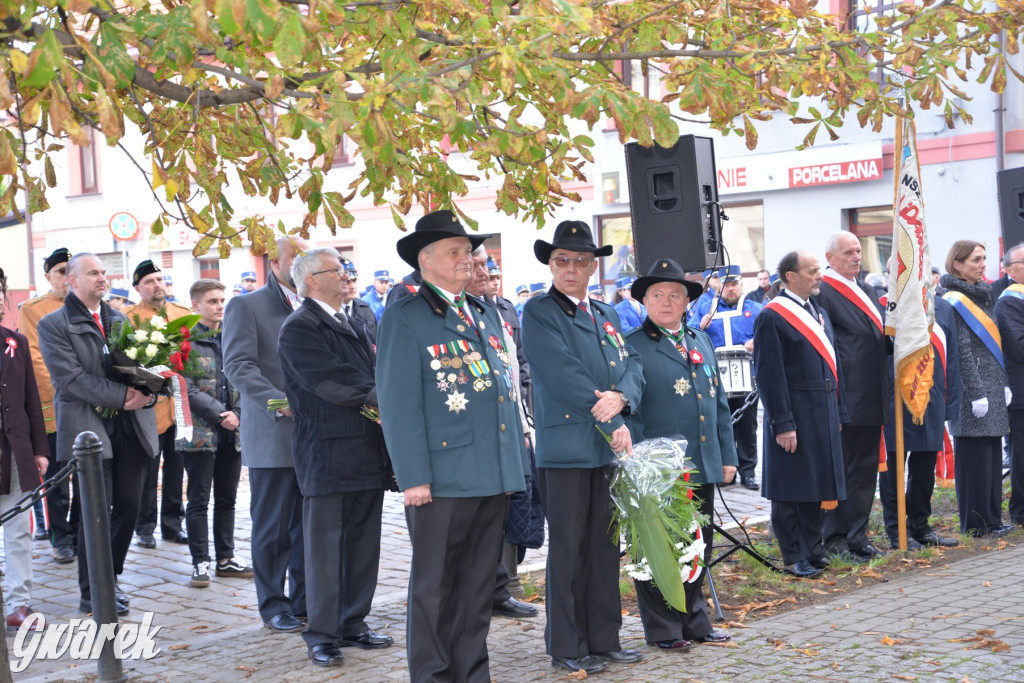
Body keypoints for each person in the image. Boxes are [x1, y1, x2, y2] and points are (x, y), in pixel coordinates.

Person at [376, 209, 529, 683]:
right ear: (426, 260)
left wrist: (511, 468)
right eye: (456, 252)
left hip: (490, 473)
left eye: (469, 251)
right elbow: (398, 403)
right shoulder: (407, 315)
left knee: (479, 585)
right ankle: (434, 674)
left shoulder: (484, 311)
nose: (469, 259)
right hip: (442, 478)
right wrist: (413, 476)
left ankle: (471, 671)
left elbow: (503, 394)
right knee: (434, 587)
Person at [522, 219, 645, 675]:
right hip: (569, 449)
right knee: (569, 549)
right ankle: (567, 646)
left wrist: (624, 396)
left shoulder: (606, 314)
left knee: (603, 547)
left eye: (579, 261)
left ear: (593, 267)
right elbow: (563, 374)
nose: (570, 268)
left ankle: (604, 638)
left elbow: (632, 365)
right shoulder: (539, 312)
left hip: (605, 450)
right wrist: (612, 415)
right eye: (561, 261)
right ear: (551, 265)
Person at [280, 248, 394, 668]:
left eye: (348, 270)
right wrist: (386, 397)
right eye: (338, 271)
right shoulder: (300, 327)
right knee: (325, 547)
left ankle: (353, 623)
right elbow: (330, 381)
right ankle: (322, 633)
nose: (348, 277)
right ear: (312, 280)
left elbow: (375, 368)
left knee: (364, 542)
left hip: (365, 448)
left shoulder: (353, 319)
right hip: (327, 451)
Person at [37, 253, 159, 615]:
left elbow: (132, 365)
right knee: (95, 511)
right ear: (71, 281)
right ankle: (93, 590)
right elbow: (70, 380)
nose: (102, 278)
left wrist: (152, 384)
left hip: (129, 426)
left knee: (129, 504)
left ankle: (112, 576)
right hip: (88, 429)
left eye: (104, 272)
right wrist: (124, 397)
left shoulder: (118, 318)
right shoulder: (53, 324)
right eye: (93, 273)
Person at [625, 258, 736, 650]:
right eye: (658, 295)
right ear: (645, 302)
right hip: (658, 468)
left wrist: (726, 456)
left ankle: (695, 622)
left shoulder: (699, 340)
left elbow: (718, 402)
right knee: (658, 549)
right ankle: (663, 629)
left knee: (696, 545)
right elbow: (629, 407)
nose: (667, 301)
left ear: (687, 302)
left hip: (700, 463)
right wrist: (640, 464)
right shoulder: (633, 347)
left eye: (675, 294)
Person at [223, 235, 309, 632]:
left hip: (315, 435)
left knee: (308, 525)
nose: (301, 265)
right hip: (274, 435)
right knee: (273, 527)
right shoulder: (247, 305)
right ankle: (273, 604)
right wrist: (280, 403)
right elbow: (239, 366)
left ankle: (306, 600)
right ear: (274, 263)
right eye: (294, 258)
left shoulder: (316, 304)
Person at [753, 251, 847, 579]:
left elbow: (833, 366)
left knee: (814, 485)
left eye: (818, 270)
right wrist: (782, 422)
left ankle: (813, 549)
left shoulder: (817, 310)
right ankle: (793, 555)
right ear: (791, 277)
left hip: (821, 410)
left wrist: (839, 411)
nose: (819, 275)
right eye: (812, 271)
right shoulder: (773, 315)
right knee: (790, 489)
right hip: (794, 413)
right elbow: (769, 375)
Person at [465, 244, 538, 618]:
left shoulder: (498, 310)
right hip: (473, 437)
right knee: (479, 522)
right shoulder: (457, 312)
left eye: (487, 267)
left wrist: (524, 425)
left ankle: (500, 588)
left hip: (511, 426)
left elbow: (512, 369)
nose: (483, 273)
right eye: (475, 266)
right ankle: (483, 593)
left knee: (506, 512)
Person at [815, 232, 890, 562]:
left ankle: (857, 535)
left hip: (873, 396)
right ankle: (834, 538)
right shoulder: (824, 292)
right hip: (846, 397)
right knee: (843, 472)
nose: (856, 257)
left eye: (859, 251)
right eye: (848, 252)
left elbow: (878, 336)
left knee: (864, 472)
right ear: (830, 258)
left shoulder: (868, 289)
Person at [174, 279, 252, 587]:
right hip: (200, 433)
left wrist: (239, 414)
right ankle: (200, 561)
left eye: (222, 300)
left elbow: (247, 375)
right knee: (198, 499)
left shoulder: (232, 335)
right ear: (195, 305)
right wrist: (221, 415)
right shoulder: (184, 340)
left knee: (228, 498)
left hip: (232, 432)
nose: (220, 306)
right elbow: (182, 386)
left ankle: (225, 557)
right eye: (212, 301)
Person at [879, 292, 960, 550]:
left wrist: (952, 401)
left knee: (924, 470)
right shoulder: (883, 306)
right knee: (893, 470)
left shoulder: (943, 308)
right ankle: (896, 530)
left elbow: (953, 357)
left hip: (932, 398)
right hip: (896, 398)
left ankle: (921, 526)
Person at [942, 240, 1012, 536]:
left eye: (984, 258)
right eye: (975, 260)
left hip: (992, 385)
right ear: (957, 264)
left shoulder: (981, 293)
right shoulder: (954, 299)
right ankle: (976, 523)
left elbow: (994, 345)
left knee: (992, 458)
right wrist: (976, 392)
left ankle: (993, 519)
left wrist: (1003, 383)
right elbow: (964, 351)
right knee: (974, 462)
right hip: (974, 391)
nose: (983, 264)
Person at [125, 260, 192, 548]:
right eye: (150, 281)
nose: (157, 285)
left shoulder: (183, 314)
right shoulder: (129, 319)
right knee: (148, 469)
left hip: (179, 406)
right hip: (148, 406)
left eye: (160, 279)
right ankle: (145, 527)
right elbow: (125, 362)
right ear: (138, 288)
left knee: (177, 468)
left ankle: (173, 524)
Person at [18, 247, 77, 564]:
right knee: (57, 479)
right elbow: (36, 359)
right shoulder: (33, 308)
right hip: (54, 407)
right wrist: (71, 385)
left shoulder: (88, 307)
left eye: (71, 271)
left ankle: (81, 533)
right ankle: (61, 538)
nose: (66, 278)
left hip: (90, 407)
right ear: (48, 276)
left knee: (88, 476)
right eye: (60, 271)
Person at [0, 267, 51, 630]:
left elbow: (31, 401)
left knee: (18, 528)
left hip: (14, 450)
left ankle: (19, 604)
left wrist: (39, 448)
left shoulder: (14, 342)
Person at [694, 264, 763, 490]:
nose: (730, 289)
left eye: (734, 284)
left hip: (746, 379)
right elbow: (689, 332)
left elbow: (768, 335)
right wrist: (699, 326)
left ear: (741, 284)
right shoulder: (705, 307)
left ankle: (748, 472)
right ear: (718, 286)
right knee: (721, 426)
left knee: (746, 427)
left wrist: (757, 342)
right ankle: (726, 471)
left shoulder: (754, 309)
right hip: (715, 379)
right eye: (726, 285)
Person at [996, 243, 1024, 527]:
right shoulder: (1009, 301)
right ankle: (1021, 511)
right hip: (1021, 391)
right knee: (1022, 455)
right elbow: (1018, 346)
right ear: (1009, 270)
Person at [341, 258, 378, 338]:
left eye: (354, 281)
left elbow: (375, 340)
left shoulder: (365, 309)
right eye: (347, 282)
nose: (353, 287)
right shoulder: (329, 309)